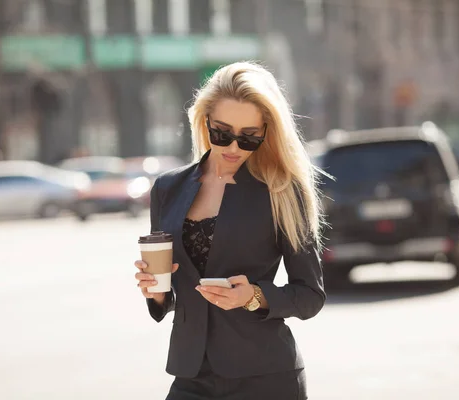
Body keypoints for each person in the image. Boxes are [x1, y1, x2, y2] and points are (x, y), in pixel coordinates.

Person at [134, 61, 326, 400]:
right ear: (204, 120)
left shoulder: (282, 191)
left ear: (266, 132)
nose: (234, 147)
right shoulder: (168, 189)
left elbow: (310, 295)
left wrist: (253, 296)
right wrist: (157, 292)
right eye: (222, 133)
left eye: (249, 138)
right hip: (191, 373)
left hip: (265, 376)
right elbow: (178, 292)